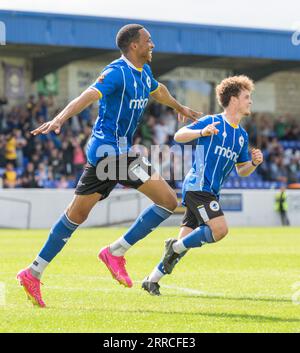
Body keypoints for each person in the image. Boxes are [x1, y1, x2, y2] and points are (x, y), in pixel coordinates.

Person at [17, 23, 201, 307]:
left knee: (76, 215)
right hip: (111, 155)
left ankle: (33, 271)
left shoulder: (144, 73)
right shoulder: (117, 72)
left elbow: (158, 90)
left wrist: (180, 108)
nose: (153, 45)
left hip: (114, 156)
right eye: (148, 40)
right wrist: (59, 119)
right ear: (134, 45)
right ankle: (115, 252)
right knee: (167, 200)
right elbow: (88, 95)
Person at [142, 75, 264, 296]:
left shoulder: (242, 136)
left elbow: (242, 169)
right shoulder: (213, 121)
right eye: (247, 97)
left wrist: (254, 163)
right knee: (220, 230)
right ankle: (174, 247)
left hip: (210, 192)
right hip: (198, 187)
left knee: (183, 244)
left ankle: (152, 280)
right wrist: (201, 132)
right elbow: (179, 135)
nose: (250, 101)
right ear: (234, 99)